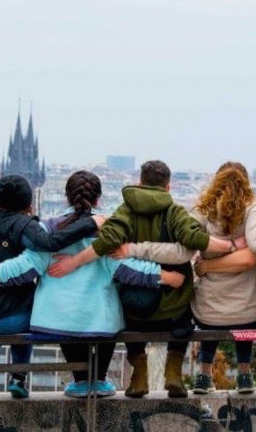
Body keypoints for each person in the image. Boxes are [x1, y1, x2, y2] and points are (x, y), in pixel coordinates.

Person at [113, 161, 256, 395]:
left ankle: (204, 374)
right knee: (249, 308)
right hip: (249, 312)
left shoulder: (203, 210)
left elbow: (185, 246)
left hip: (208, 313)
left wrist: (202, 265)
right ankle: (245, 373)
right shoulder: (253, 208)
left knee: (207, 306)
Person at [0, 171, 186, 398]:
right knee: (106, 315)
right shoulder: (107, 230)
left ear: (66, 197)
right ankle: (98, 380)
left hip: (59, 319)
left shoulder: (48, 229)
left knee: (70, 321)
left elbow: (22, 267)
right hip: (100, 321)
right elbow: (128, 269)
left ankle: (80, 381)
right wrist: (166, 276)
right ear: (98, 199)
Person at [46, 160, 238, 398]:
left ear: (140, 183)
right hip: (172, 310)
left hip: (137, 309)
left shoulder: (126, 211)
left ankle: (139, 376)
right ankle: (174, 373)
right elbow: (194, 238)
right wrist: (230, 246)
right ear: (168, 187)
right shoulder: (175, 211)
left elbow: (105, 242)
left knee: (123, 310)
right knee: (187, 307)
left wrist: (73, 262)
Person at [0, 174, 100, 399]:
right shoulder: (23, 226)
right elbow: (48, 244)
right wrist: (90, 223)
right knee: (32, 312)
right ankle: (18, 379)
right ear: (28, 204)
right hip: (15, 318)